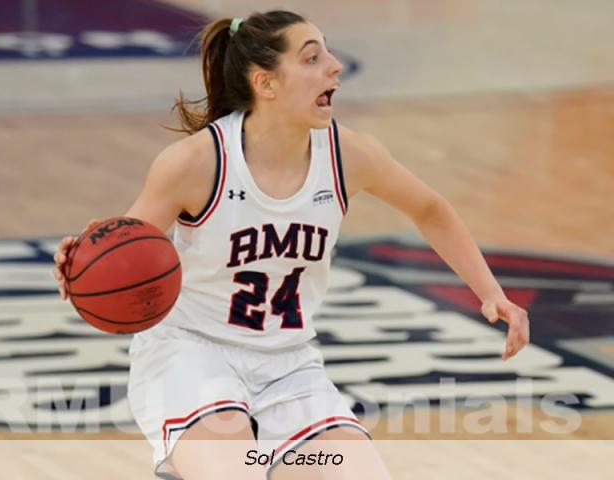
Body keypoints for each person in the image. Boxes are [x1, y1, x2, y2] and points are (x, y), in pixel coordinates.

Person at [52, 10, 530, 480]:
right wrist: (81, 260)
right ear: (266, 83)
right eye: (312, 57)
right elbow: (127, 249)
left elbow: (431, 209)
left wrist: (490, 292)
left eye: (328, 52)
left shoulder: (349, 155)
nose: (335, 65)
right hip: (190, 354)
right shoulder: (196, 163)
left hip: (288, 364)